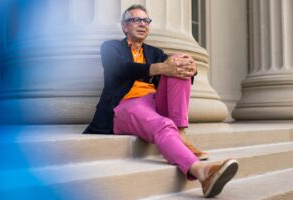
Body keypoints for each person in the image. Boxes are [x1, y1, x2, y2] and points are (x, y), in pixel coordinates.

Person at [83, 4, 238, 198]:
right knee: (162, 123)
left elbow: (177, 72)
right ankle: (202, 172)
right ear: (125, 27)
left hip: (154, 101)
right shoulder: (111, 47)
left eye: (146, 20)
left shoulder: (155, 53)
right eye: (136, 20)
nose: (142, 24)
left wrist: (190, 67)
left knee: (177, 59)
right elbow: (120, 68)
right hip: (126, 104)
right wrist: (159, 69)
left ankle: (180, 133)